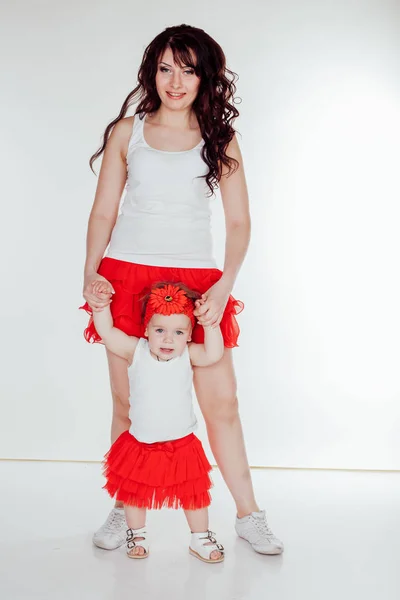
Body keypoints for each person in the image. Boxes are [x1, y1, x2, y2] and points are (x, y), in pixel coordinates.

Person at [81, 23, 284, 555]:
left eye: (188, 69)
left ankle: (248, 514)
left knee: (223, 403)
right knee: (129, 405)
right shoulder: (127, 133)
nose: (176, 81)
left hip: (195, 283)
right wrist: (90, 271)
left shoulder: (220, 136)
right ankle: (127, 507)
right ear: (152, 69)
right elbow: (104, 209)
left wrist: (224, 285)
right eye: (167, 67)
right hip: (126, 275)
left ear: (205, 77)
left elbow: (239, 223)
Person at [92, 281, 225, 562]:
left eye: (178, 332)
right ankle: (137, 534)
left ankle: (200, 537)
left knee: (194, 493)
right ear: (146, 331)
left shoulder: (188, 355)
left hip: (181, 443)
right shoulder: (137, 351)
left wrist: (211, 326)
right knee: (134, 493)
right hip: (141, 442)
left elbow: (213, 354)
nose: (167, 339)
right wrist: (100, 306)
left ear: (189, 335)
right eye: (160, 331)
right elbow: (106, 332)